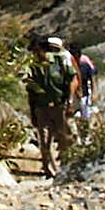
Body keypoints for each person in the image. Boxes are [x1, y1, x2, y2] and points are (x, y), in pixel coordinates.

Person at [24, 35, 76, 177]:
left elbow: (71, 80)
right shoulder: (33, 68)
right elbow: (31, 90)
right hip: (42, 107)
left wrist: (70, 101)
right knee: (44, 138)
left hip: (59, 106)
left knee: (63, 135)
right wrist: (32, 112)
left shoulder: (59, 61)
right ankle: (50, 169)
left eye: (36, 50)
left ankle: (67, 164)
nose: (35, 54)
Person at [73, 46, 98, 140]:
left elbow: (92, 79)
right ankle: (81, 137)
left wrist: (94, 92)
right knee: (77, 116)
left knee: (86, 116)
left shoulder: (84, 66)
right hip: (75, 96)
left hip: (85, 94)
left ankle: (88, 136)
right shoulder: (69, 67)